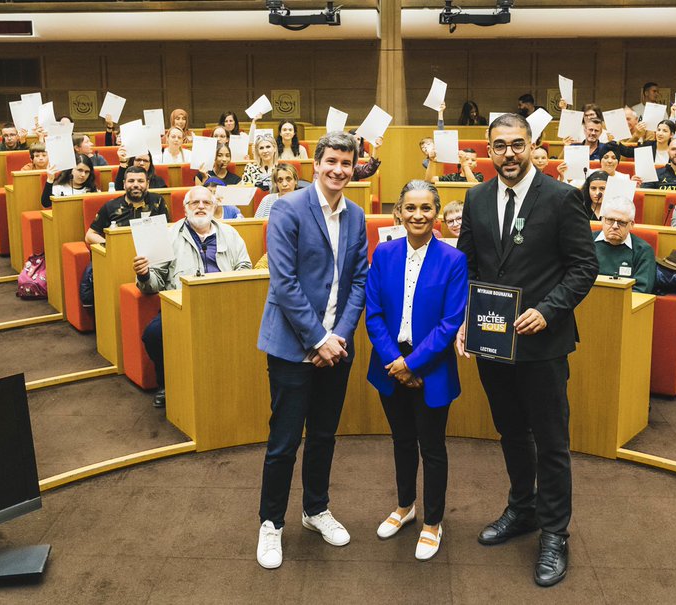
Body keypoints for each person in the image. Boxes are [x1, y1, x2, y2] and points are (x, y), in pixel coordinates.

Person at [455, 113, 598, 587]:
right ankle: (523, 510)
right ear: (488, 151)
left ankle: (555, 532)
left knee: (552, 444)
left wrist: (549, 310)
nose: (509, 154)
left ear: (533, 145)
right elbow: (469, 266)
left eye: (517, 145)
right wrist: (465, 321)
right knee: (512, 433)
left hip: (543, 343)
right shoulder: (475, 197)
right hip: (493, 342)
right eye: (499, 146)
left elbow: (583, 267)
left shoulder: (561, 199)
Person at [255, 132, 368, 570]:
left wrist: (337, 335)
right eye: (332, 161)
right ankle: (271, 524)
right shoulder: (288, 208)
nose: (339, 169)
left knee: (323, 435)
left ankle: (315, 509)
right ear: (316, 164)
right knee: (283, 443)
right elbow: (283, 283)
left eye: (346, 162)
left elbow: (358, 280)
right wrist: (318, 339)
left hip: (337, 347)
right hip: (292, 347)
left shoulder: (356, 215)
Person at [365, 180, 468, 561]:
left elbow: (450, 321)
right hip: (391, 365)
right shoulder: (384, 252)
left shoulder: (453, 260)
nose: (418, 215)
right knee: (402, 441)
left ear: (436, 213)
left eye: (426, 208)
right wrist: (397, 363)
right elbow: (373, 314)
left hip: (431, 367)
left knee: (433, 447)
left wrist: (412, 364)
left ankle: (432, 522)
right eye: (410, 208)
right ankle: (406, 506)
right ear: (399, 213)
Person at [134, 186, 252, 407]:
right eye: (195, 203)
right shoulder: (168, 236)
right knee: (153, 334)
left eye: (206, 203)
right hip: (182, 305)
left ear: (214, 207)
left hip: (225, 302)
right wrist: (144, 274)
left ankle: (242, 384)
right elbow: (155, 283)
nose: (200, 207)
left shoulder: (230, 234)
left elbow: (244, 265)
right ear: (185, 208)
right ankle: (167, 384)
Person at [86, 166, 168, 248]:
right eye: (131, 181)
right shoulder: (111, 206)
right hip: (120, 252)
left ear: (147, 184)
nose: (136, 185)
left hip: (151, 251)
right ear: (124, 184)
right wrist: (111, 245)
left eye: (140, 181)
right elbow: (90, 235)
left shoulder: (158, 201)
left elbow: (168, 229)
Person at [594, 198, 656, 293]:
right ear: (602, 220)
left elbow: (642, 290)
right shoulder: (586, 242)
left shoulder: (643, 250)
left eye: (621, 222)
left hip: (624, 305)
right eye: (610, 220)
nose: (614, 226)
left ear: (632, 224)